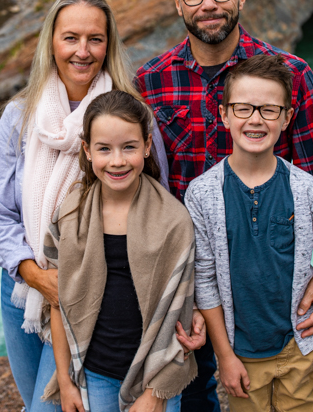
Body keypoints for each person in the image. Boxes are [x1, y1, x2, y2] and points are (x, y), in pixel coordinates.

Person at [134, 0, 313, 412]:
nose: (209, 4)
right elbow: (140, 187)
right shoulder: (150, 82)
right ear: (177, 3)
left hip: (278, 279)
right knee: (196, 396)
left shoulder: (291, 75)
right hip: (194, 280)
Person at [0, 0, 172, 412]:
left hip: (93, 296)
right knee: (34, 398)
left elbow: (160, 206)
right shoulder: (19, 116)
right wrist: (36, 275)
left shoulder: (133, 116)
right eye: (71, 38)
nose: (82, 51)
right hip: (24, 289)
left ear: (109, 45)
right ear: (51, 41)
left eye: (95, 39)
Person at [185, 55, 313, 412]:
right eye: (243, 108)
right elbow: (205, 280)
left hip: (301, 348)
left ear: (288, 117)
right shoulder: (201, 194)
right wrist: (224, 356)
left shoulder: (306, 190)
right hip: (241, 356)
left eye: (269, 110)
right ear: (223, 114)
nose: (256, 119)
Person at [41, 90, 198, 412]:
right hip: (95, 372)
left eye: (129, 147)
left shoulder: (173, 220)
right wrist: (66, 381)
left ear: (147, 146)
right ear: (87, 150)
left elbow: (178, 319)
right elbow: (58, 302)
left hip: (154, 375)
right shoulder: (69, 215)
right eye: (104, 149)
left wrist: (156, 392)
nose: (117, 161)